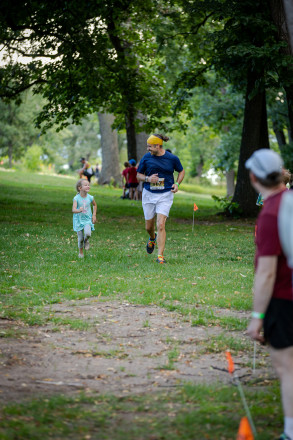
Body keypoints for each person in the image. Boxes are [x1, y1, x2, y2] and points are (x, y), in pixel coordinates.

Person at [245, 149, 293, 440]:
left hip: (285, 300)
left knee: (287, 367)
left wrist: (256, 317)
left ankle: (290, 432)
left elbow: (266, 273)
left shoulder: (271, 212)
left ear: (253, 177)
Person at [136, 133, 185, 264]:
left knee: (161, 224)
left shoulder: (172, 158)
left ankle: (160, 256)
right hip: (149, 194)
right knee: (148, 227)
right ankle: (152, 238)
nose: (148, 149)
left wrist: (177, 184)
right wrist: (148, 179)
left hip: (165, 194)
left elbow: (181, 171)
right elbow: (138, 175)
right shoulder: (146, 158)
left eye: (150, 146)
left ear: (158, 146)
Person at [72, 178, 97, 258]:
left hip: (87, 219)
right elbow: (73, 209)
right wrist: (78, 210)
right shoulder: (76, 198)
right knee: (80, 238)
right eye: (86, 185)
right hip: (78, 220)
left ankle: (86, 241)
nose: (88, 186)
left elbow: (94, 205)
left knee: (88, 234)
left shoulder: (90, 197)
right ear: (80, 188)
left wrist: (94, 215)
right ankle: (81, 253)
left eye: (88, 185)